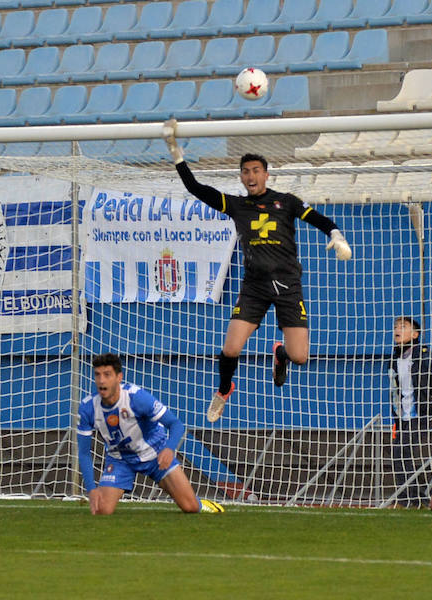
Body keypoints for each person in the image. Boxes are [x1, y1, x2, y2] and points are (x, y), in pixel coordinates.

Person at [163, 121, 353, 422]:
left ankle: (281, 354)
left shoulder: (286, 202)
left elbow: (319, 219)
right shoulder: (236, 205)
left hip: (288, 285)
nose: (251, 176)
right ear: (241, 176)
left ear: (266, 173)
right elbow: (196, 188)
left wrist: (336, 235)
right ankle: (224, 390)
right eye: (245, 171)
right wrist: (177, 154)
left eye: (256, 170)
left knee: (300, 356)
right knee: (231, 348)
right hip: (254, 286)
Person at [77, 353, 224, 515]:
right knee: (100, 510)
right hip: (120, 460)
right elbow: (84, 453)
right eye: (97, 375)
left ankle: (201, 504)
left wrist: (169, 449)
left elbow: (176, 424)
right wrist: (91, 489)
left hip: (156, 454)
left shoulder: (137, 398)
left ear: (119, 377)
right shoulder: (88, 408)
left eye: (107, 375)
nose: (101, 381)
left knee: (191, 508)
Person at [388, 317, 432, 507]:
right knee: (399, 455)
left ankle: (414, 499)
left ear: (415, 334)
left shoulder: (425, 356)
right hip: (401, 416)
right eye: (395, 327)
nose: (397, 330)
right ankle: (411, 499)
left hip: (421, 414)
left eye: (403, 327)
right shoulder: (395, 358)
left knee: (407, 453)